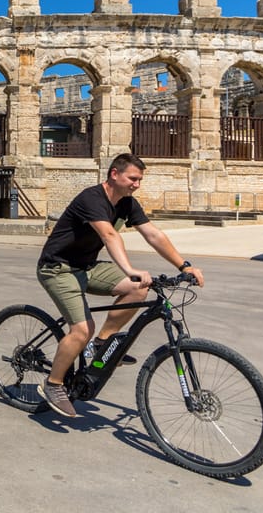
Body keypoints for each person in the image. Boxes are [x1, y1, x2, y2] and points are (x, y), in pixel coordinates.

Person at [35, 153, 204, 418]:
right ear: (115, 174)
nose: (137, 184)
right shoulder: (91, 198)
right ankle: (54, 384)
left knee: (137, 289)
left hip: (88, 267)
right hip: (58, 268)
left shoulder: (127, 204)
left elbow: (153, 234)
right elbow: (109, 234)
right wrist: (130, 269)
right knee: (82, 330)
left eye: (140, 180)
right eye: (133, 178)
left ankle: (101, 344)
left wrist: (184, 266)